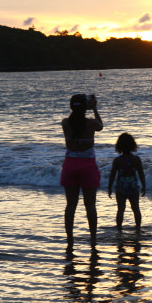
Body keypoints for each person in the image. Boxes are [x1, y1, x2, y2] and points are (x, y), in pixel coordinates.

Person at [61, 93, 103, 249]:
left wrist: (85, 106)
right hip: (88, 166)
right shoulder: (91, 124)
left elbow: (73, 118)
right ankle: (92, 239)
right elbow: (101, 125)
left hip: (70, 166)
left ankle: (70, 239)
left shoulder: (65, 123)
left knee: (70, 205)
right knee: (90, 206)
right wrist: (95, 108)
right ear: (86, 107)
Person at [108, 133, 146, 230]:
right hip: (133, 186)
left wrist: (109, 188)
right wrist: (144, 186)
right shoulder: (136, 159)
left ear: (119, 146)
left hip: (121, 187)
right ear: (133, 145)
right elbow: (141, 174)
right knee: (136, 209)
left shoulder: (117, 160)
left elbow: (112, 175)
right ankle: (138, 228)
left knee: (120, 210)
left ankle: (119, 229)